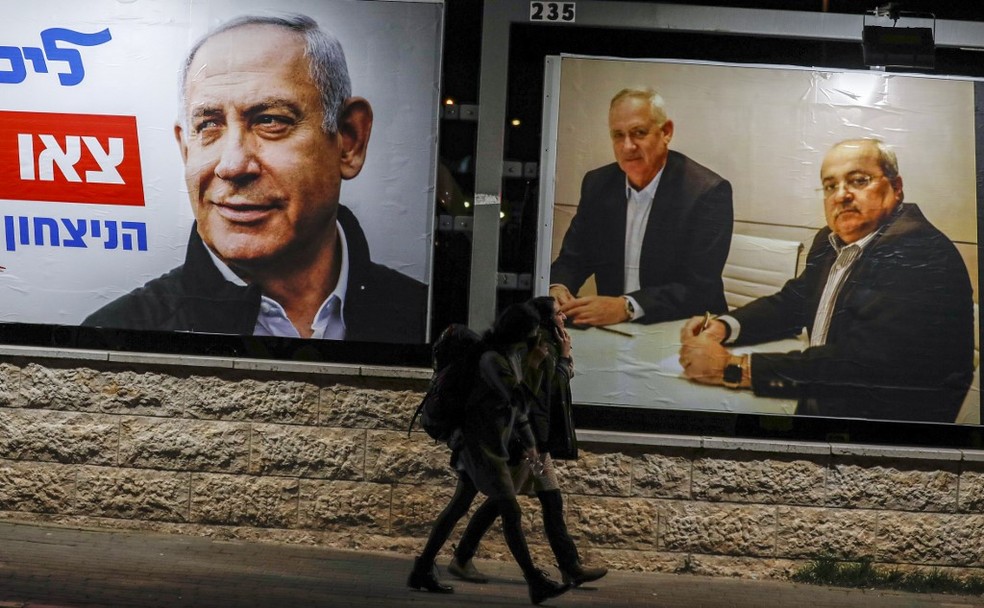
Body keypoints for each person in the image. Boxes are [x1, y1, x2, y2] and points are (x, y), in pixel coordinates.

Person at [82, 14, 427, 344]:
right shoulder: (118, 335)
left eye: (271, 121)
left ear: (349, 140)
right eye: (208, 125)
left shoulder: (426, 322)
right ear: (186, 149)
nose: (232, 165)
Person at [679, 138, 974, 423]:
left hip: (887, 435)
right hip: (826, 401)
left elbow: (860, 365)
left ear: (896, 187)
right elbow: (792, 302)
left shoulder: (918, 251)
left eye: (858, 180)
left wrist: (733, 368)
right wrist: (723, 326)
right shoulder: (830, 240)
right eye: (830, 185)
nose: (841, 195)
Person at [407, 303, 571, 605]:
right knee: (511, 512)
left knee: (459, 507)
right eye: (533, 329)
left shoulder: (506, 356)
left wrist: (530, 443)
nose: (537, 335)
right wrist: (535, 364)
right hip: (481, 449)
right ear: (521, 331)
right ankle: (535, 581)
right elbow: (519, 399)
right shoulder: (491, 360)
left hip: (490, 445)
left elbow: (517, 413)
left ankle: (421, 569)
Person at [447, 296, 607, 588]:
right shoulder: (541, 346)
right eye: (559, 314)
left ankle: (571, 566)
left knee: (550, 501)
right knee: (503, 502)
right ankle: (462, 558)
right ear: (546, 319)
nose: (564, 318)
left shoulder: (545, 343)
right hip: (528, 440)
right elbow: (543, 392)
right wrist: (567, 356)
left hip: (536, 440)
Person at [549, 87, 733, 327]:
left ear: (666, 132)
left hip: (683, 329)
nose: (627, 146)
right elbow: (573, 258)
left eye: (639, 133)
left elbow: (699, 288)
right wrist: (557, 287)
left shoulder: (707, 192)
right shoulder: (598, 184)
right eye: (618, 135)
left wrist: (627, 306)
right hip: (614, 329)